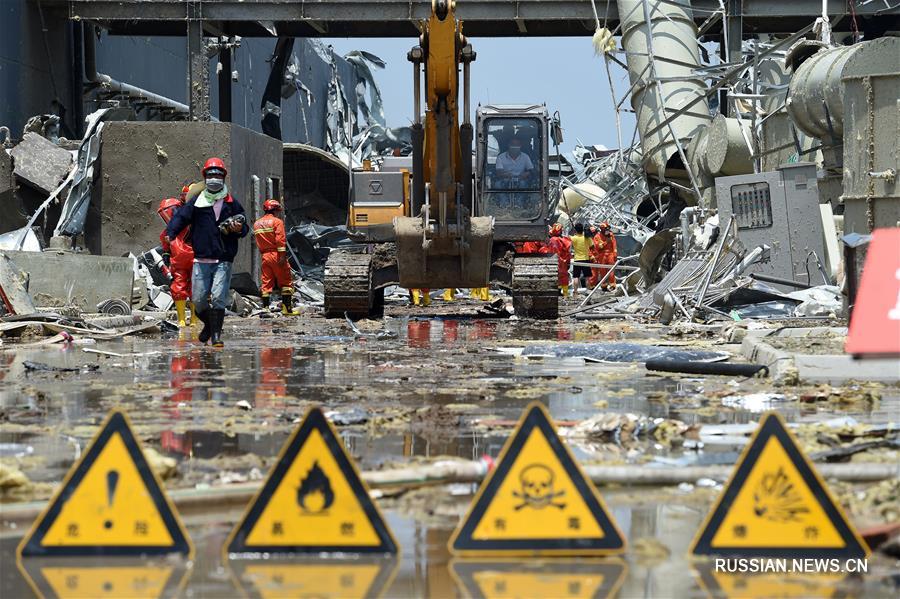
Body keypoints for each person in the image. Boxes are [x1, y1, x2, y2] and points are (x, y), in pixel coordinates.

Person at [166, 157, 249, 347]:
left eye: (218, 175)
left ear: (223, 178)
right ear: (205, 177)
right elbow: (181, 218)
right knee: (198, 300)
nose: (214, 178)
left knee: (219, 297)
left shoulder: (232, 203)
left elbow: (245, 228)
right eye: (211, 175)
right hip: (201, 258)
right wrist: (171, 233)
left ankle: (217, 337)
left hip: (223, 258)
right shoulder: (196, 202)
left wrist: (239, 229)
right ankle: (209, 326)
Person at [253, 199, 298, 315]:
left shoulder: (257, 223)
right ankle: (287, 309)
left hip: (265, 256)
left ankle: (265, 308)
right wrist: (282, 256)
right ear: (275, 210)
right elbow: (280, 240)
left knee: (266, 282)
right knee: (286, 281)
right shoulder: (277, 222)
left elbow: (259, 242)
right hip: (276, 254)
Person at [157, 191, 195, 327]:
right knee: (193, 287)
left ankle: (183, 319)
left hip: (180, 261)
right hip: (190, 260)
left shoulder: (171, 230)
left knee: (182, 287)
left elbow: (166, 248)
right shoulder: (190, 224)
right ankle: (191, 319)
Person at [543, 223, 572, 297]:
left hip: (554, 261)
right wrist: (566, 261)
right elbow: (567, 251)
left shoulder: (552, 240)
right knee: (564, 277)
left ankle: (557, 293)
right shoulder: (563, 240)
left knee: (555, 277)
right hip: (562, 262)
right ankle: (565, 294)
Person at [589, 221, 618, 291]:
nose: (607, 231)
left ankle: (612, 284)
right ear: (602, 229)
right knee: (602, 271)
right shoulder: (597, 236)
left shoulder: (611, 235)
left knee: (611, 270)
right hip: (602, 256)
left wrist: (615, 254)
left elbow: (614, 245)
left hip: (610, 254)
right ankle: (604, 285)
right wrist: (606, 242)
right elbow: (598, 247)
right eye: (606, 229)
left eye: (608, 229)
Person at [570, 222, 593, 292]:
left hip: (577, 260)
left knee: (576, 276)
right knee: (587, 277)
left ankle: (575, 291)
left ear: (576, 230)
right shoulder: (587, 238)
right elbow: (592, 246)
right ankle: (588, 290)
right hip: (586, 259)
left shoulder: (573, 238)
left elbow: (568, 244)